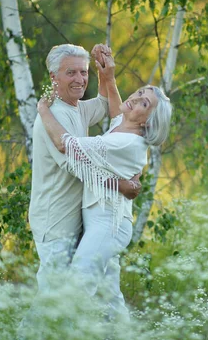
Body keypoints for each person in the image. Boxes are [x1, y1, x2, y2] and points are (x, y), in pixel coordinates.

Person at [36, 50, 172, 318]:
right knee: (110, 299)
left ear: (148, 121)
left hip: (107, 224)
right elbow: (116, 112)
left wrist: (41, 108)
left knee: (75, 290)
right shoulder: (124, 129)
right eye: (139, 92)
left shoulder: (123, 141)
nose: (135, 99)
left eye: (144, 103)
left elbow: (68, 147)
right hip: (99, 220)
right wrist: (107, 76)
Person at [27, 43, 140, 305]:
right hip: (54, 221)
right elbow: (76, 166)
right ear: (54, 77)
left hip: (76, 220)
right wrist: (120, 185)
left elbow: (106, 105)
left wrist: (105, 74)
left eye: (84, 72)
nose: (79, 80)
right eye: (71, 73)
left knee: (78, 292)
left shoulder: (75, 107)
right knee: (53, 294)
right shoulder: (53, 115)